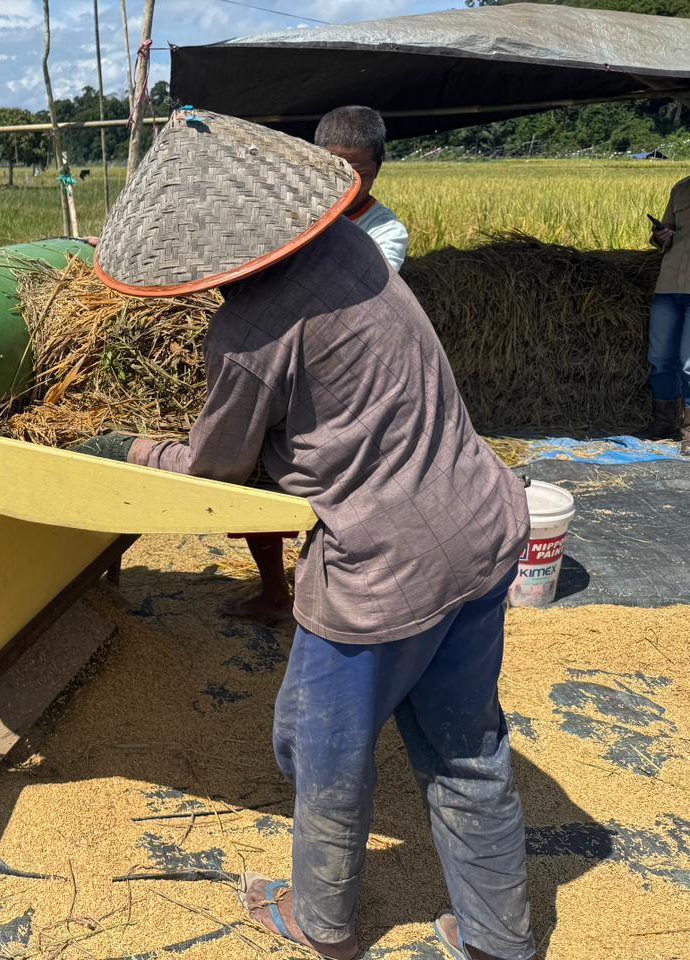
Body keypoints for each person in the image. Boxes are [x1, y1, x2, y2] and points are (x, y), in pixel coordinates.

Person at [78, 110, 534, 960]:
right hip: (480, 523)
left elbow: (215, 472)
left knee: (315, 747)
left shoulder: (248, 336)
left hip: (385, 568)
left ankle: (320, 922)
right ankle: (498, 938)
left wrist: (127, 446)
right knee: (467, 752)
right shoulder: (353, 250)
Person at [226, 105, 409, 623]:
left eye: (361, 172)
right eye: (333, 168)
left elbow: (348, 299)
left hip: (342, 382)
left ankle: (329, 596)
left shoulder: (384, 232)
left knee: (333, 491)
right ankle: (272, 591)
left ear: (380, 166)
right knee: (257, 478)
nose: (347, 183)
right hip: (279, 368)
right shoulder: (284, 214)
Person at [644, 180, 690, 452]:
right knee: (660, 359)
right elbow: (664, 232)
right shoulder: (681, 189)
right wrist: (661, 235)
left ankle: (688, 430)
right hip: (670, 284)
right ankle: (663, 422)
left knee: (688, 364)